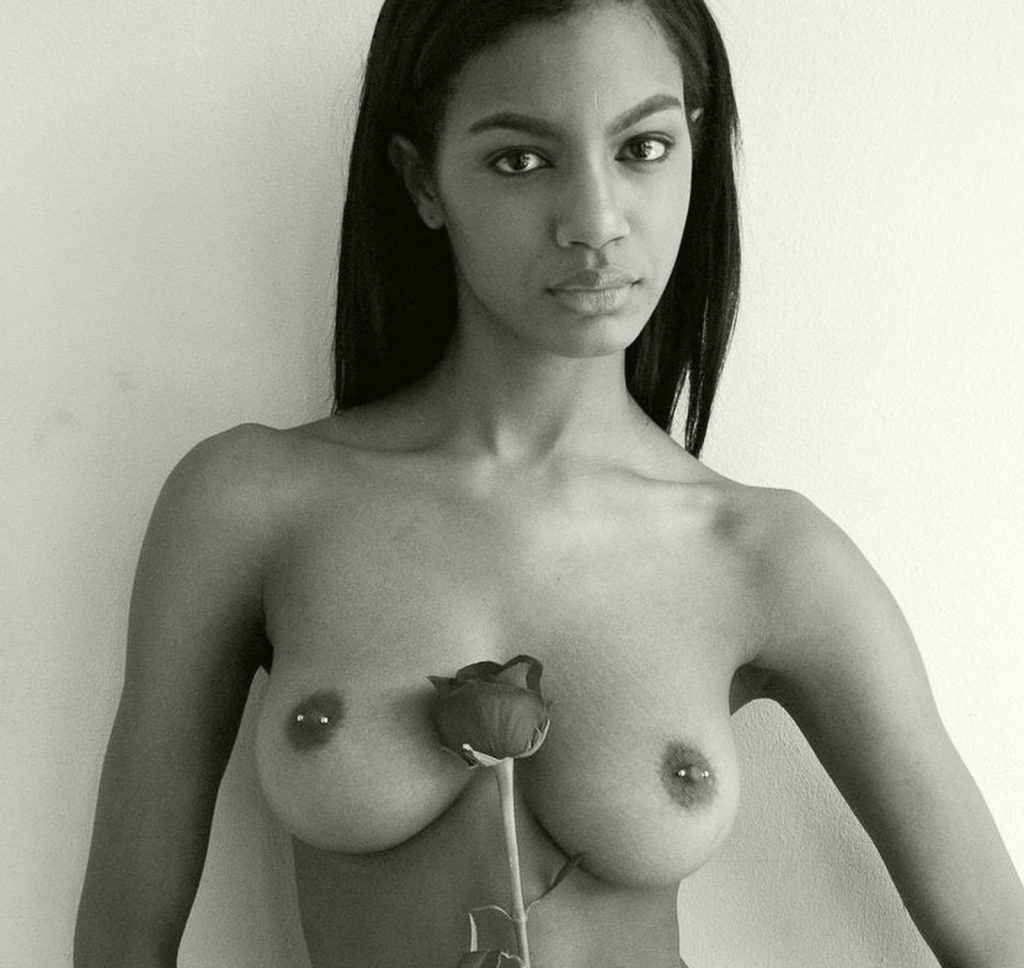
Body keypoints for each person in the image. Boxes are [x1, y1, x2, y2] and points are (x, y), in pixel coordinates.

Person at [74, 1, 1024, 966]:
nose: (596, 222)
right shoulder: (250, 505)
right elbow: (118, 947)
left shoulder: (766, 556)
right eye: (521, 159)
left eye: (642, 148)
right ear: (423, 180)